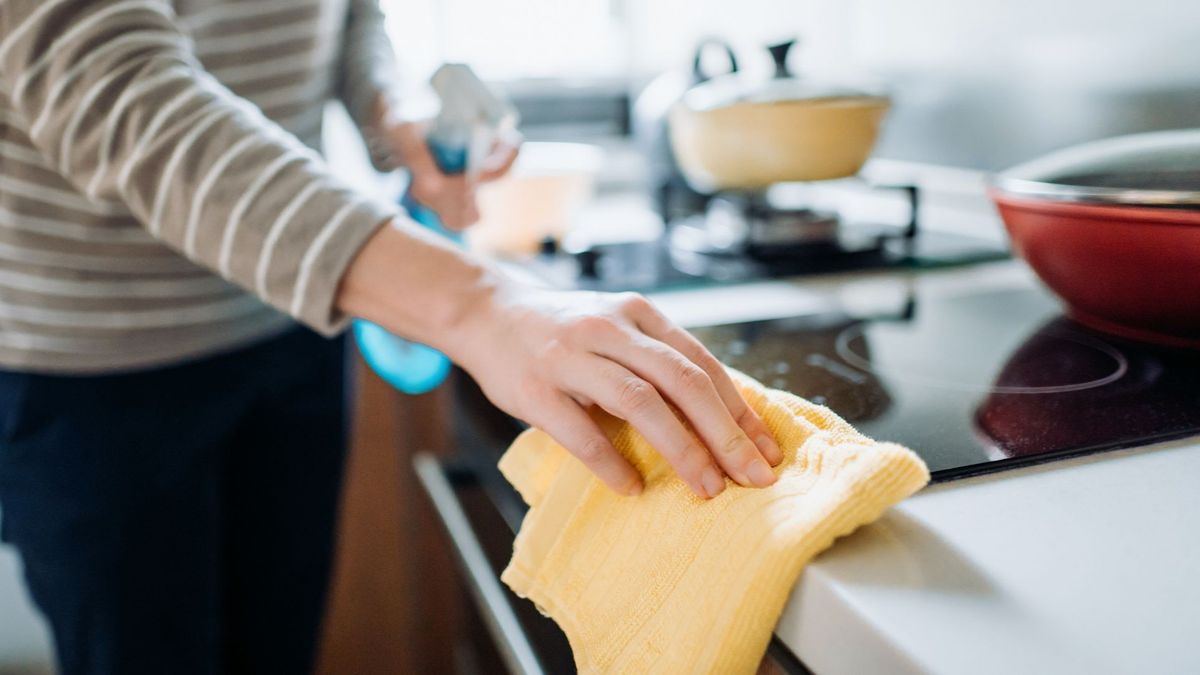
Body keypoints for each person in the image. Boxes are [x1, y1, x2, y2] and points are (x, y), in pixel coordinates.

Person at [0, 1, 782, 673]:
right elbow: (111, 88)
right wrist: (482, 305)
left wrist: (393, 113)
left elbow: (346, 17)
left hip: (291, 322)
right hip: (93, 365)